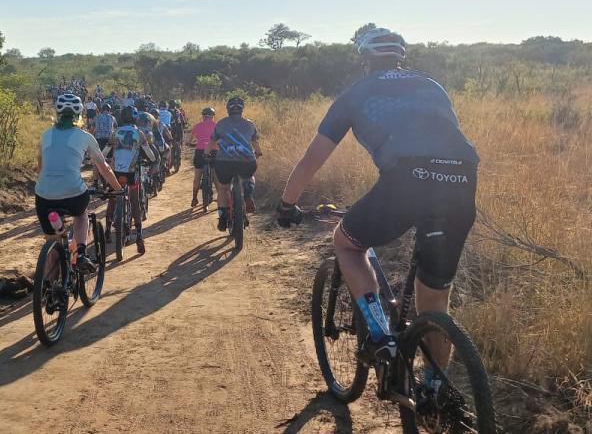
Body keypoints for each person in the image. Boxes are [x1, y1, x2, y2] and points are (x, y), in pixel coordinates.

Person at [275, 27, 479, 390]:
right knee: (434, 298)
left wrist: (286, 203)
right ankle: (435, 389)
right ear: (401, 56)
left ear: (364, 59)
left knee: (348, 243)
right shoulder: (432, 86)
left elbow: (312, 159)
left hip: (406, 179)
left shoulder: (356, 94)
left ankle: (380, 335)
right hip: (461, 180)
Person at [36, 94, 123, 261]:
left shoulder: (45, 135)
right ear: (80, 114)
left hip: (43, 195)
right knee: (81, 214)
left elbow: (41, 167)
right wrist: (118, 189)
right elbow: (103, 168)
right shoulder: (85, 136)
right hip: (73, 192)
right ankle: (81, 252)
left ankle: (46, 283)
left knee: (53, 246)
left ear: (57, 113)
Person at [205, 96, 262, 231]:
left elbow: (212, 142)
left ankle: (223, 216)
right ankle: (248, 194)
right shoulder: (250, 124)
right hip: (246, 161)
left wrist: (206, 153)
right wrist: (258, 153)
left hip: (224, 162)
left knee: (223, 188)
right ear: (242, 109)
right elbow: (255, 143)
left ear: (228, 109)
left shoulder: (221, 124)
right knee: (249, 177)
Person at [107, 106, 157, 255]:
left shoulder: (116, 132)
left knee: (113, 198)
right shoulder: (139, 133)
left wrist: (103, 160)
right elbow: (148, 151)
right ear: (135, 119)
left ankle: (107, 230)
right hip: (131, 172)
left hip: (116, 172)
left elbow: (106, 150)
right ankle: (140, 236)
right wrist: (154, 161)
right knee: (134, 203)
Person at [188, 106, 218, 207]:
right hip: (214, 151)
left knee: (197, 177)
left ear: (203, 116)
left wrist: (189, 144)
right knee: (216, 177)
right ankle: (220, 197)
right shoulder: (217, 126)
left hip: (200, 151)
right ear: (213, 116)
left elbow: (190, 140)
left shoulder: (197, 126)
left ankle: (194, 198)